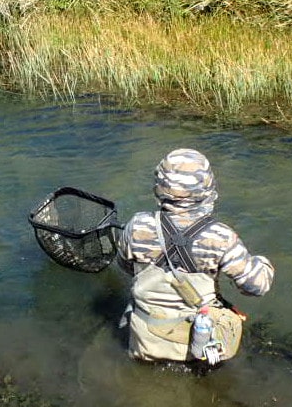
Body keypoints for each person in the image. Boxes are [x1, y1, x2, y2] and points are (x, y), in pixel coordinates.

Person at [116, 148, 275, 366]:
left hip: (146, 339)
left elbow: (125, 266)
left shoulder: (136, 226)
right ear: (207, 188)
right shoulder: (220, 236)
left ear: (159, 187)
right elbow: (256, 287)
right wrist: (263, 264)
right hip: (198, 345)